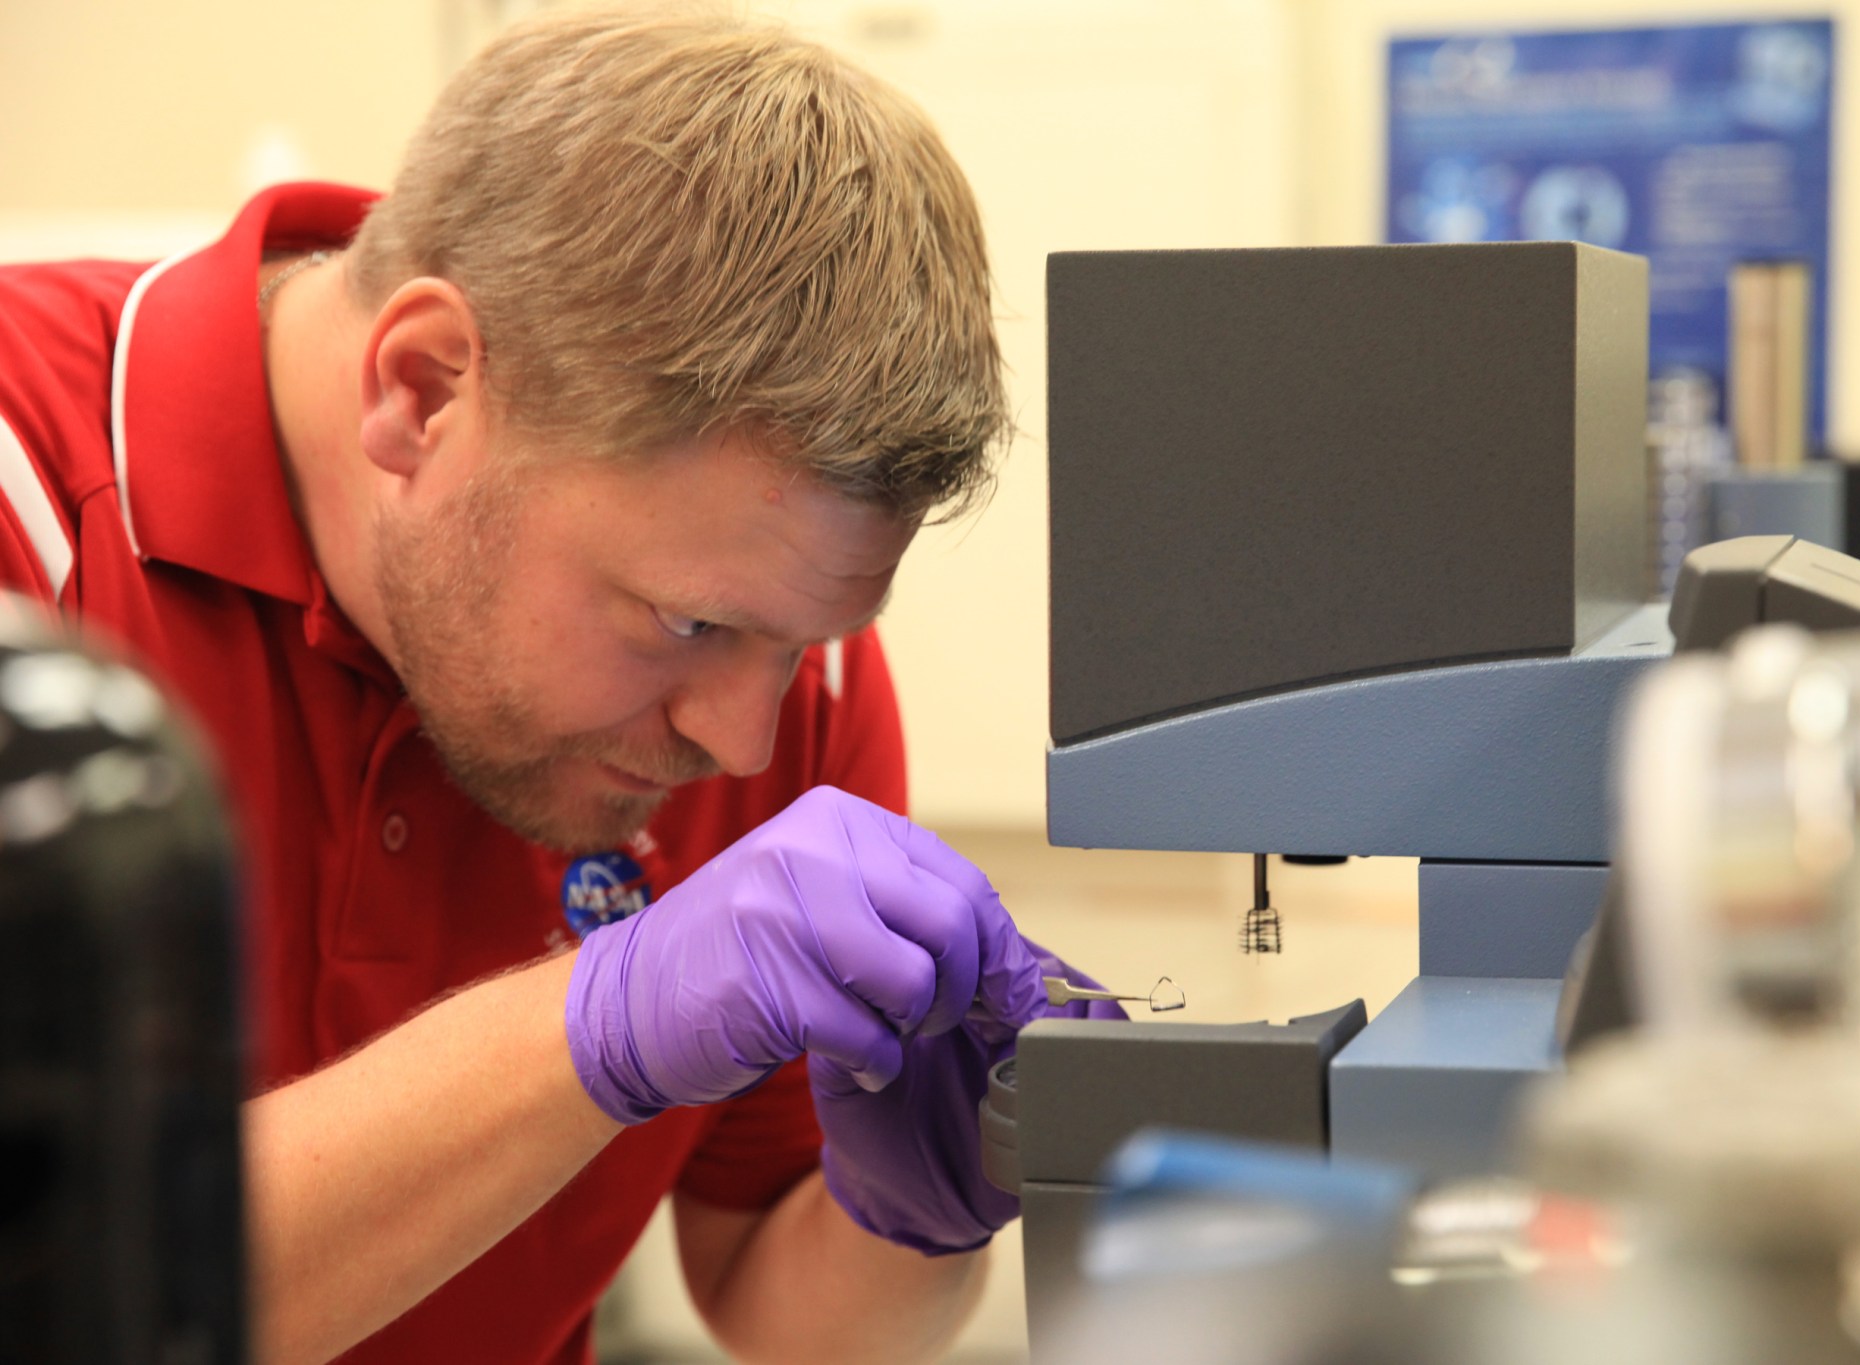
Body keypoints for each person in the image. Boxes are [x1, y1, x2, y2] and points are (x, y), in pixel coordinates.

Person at [0, 8, 1114, 1363]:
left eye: (791, 643)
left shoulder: (786, 658)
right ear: (422, 390)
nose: (739, 736)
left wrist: (920, 1207)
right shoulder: (30, 512)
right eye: (686, 621)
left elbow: (777, 1295)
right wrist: (599, 1024)